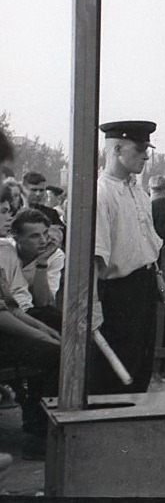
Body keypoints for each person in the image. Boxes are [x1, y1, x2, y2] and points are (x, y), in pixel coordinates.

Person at [90, 121, 163, 395]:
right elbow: (95, 257)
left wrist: (157, 277)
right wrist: (94, 304)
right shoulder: (100, 194)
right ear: (117, 148)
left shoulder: (138, 192)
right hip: (118, 292)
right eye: (140, 149)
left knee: (142, 361)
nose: (146, 156)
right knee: (117, 367)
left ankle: (135, 414)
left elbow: (146, 242)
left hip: (144, 284)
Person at [0, 189, 61, 459]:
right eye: (3, 211)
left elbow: (11, 306)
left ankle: (46, 428)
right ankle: (37, 435)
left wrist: (43, 329)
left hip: (9, 323)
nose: (9, 216)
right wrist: (40, 336)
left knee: (59, 331)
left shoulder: (3, 250)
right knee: (54, 353)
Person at [10, 208, 65, 324]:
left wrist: (42, 262)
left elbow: (43, 303)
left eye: (45, 233)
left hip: (31, 310)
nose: (43, 240)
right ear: (16, 237)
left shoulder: (54, 254)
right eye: (34, 236)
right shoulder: (6, 250)